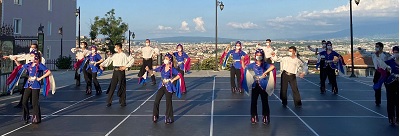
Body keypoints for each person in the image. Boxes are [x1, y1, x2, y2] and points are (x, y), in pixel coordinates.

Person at [7, 50, 54, 124]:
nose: (30, 57)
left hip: (35, 84)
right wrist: (15, 60)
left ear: (36, 57)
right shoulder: (29, 64)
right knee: (24, 101)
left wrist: (40, 78)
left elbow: (48, 71)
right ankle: (26, 115)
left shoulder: (39, 65)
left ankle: (36, 118)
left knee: (34, 102)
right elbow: (20, 66)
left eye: (32, 56)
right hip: (28, 84)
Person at [2, 43, 45, 108]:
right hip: (28, 75)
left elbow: (42, 67)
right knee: (25, 90)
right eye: (31, 47)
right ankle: (22, 103)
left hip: (35, 76)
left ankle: (33, 104)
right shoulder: (28, 56)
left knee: (34, 91)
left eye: (34, 47)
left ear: (36, 49)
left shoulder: (40, 57)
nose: (32, 49)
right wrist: (8, 57)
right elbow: (19, 57)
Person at [241, 49, 275, 124]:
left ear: (262, 56)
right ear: (255, 56)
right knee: (254, 102)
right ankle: (254, 116)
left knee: (265, 101)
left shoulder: (265, 64)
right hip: (255, 85)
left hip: (263, 84)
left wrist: (265, 72)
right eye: (257, 55)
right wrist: (242, 61)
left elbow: (272, 66)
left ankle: (265, 116)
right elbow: (245, 68)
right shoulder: (252, 65)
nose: (258, 57)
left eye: (260, 55)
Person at [149, 54, 184, 124]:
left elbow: (180, 75)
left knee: (168, 103)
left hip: (169, 86)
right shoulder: (162, 67)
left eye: (166, 58)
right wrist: (149, 70)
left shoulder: (172, 69)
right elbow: (153, 71)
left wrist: (173, 79)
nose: (165, 60)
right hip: (161, 85)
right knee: (156, 101)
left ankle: (168, 117)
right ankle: (155, 116)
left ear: (170, 60)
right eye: (165, 58)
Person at [100, 43, 135, 107]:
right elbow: (109, 60)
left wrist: (125, 66)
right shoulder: (114, 55)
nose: (115, 48)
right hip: (115, 71)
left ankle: (122, 101)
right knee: (112, 86)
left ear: (119, 47)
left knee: (122, 86)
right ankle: (109, 101)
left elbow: (132, 60)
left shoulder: (125, 54)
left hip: (121, 71)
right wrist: (102, 64)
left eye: (115, 47)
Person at [371, 42, 391, 106]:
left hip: (385, 72)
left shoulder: (385, 55)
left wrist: (378, 56)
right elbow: (367, 53)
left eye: (377, 46)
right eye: (376, 46)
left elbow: (384, 64)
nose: (376, 48)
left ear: (381, 48)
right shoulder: (374, 54)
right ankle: (377, 101)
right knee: (377, 86)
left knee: (388, 87)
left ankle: (390, 101)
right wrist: (361, 50)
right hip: (378, 72)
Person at [384, 46, 399, 125]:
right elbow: (382, 64)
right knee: (390, 100)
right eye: (395, 52)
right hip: (391, 82)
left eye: (397, 52)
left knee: (398, 101)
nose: (396, 54)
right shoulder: (391, 61)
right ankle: (391, 118)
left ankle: (398, 118)